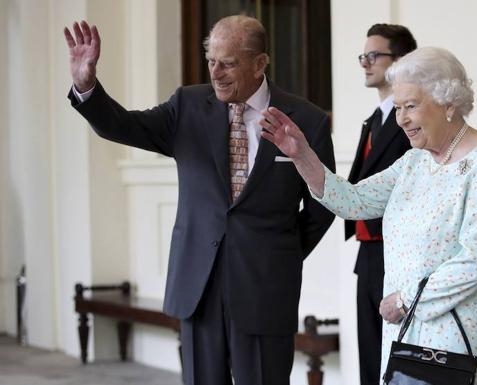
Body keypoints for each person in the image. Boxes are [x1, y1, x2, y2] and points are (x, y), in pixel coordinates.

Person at [63, 16, 335, 385]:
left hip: (265, 289)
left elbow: (322, 206)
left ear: (260, 63)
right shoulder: (187, 106)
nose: (216, 73)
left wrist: (279, 253)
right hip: (199, 289)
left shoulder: (307, 120)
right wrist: (87, 86)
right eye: (211, 61)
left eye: (229, 63)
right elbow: (123, 125)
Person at [260, 47, 477, 385]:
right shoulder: (415, 162)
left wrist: (405, 300)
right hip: (407, 332)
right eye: (397, 107)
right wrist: (302, 155)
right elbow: (354, 201)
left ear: (449, 102)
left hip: (457, 339)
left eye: (411, 106)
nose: (401, 119)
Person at [349, 23, 415, 385]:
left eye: (374, 56)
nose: (365, 63)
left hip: (398, 251)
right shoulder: (373, 120)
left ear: (400, 60)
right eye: (363, 56)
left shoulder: (413, 119)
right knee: (369, 357)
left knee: (397, 358)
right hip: (368, 254)